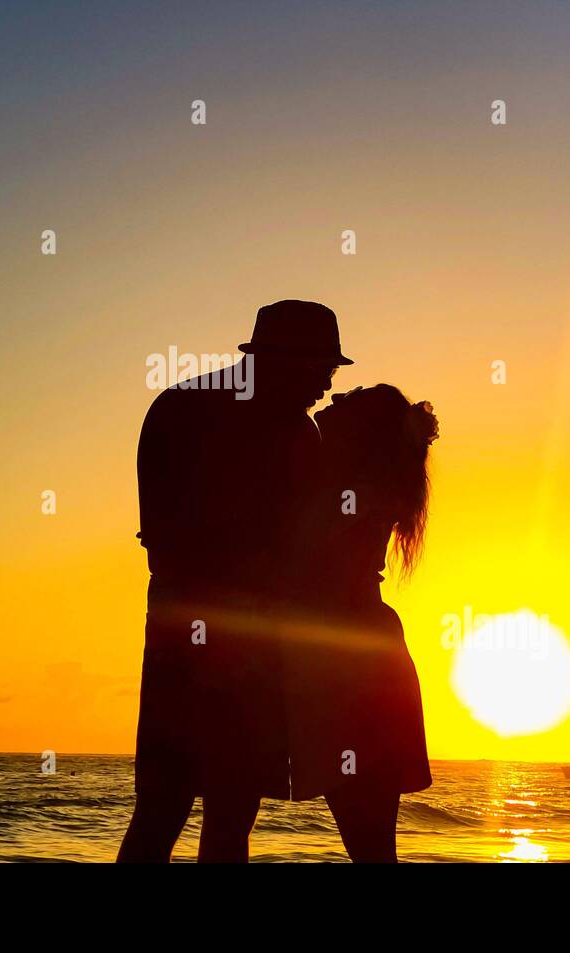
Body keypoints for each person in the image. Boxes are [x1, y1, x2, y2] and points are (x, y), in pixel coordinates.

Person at [117, 300, 348, 863]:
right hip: (225, 641)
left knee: (181, 806)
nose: (325, 384)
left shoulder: (181, 407)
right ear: (283, 359)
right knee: (206, 807)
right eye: (322, 368)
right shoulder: (280, 429)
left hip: (196, 634)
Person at [284, 384, 439, 862]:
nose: (336, 399)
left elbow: (299, 553)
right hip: (362, 648)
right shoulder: (363, 491)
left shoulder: (355, 496)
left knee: (366, 835)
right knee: (368, 839)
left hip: (350, 657)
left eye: (352, 399)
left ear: (363, 431)